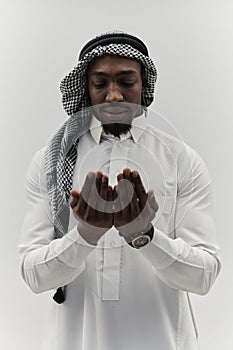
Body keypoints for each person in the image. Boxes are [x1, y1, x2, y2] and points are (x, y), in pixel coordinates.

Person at [19, 31, 221, 350]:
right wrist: (84, 234)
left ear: (144, 86)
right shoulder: (51, 162)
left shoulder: (182, 160)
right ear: (86, 89)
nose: (114, 96)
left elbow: (204, 277)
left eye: (127, 82)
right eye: (101, 84)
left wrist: (145, 236)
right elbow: (34, 277)